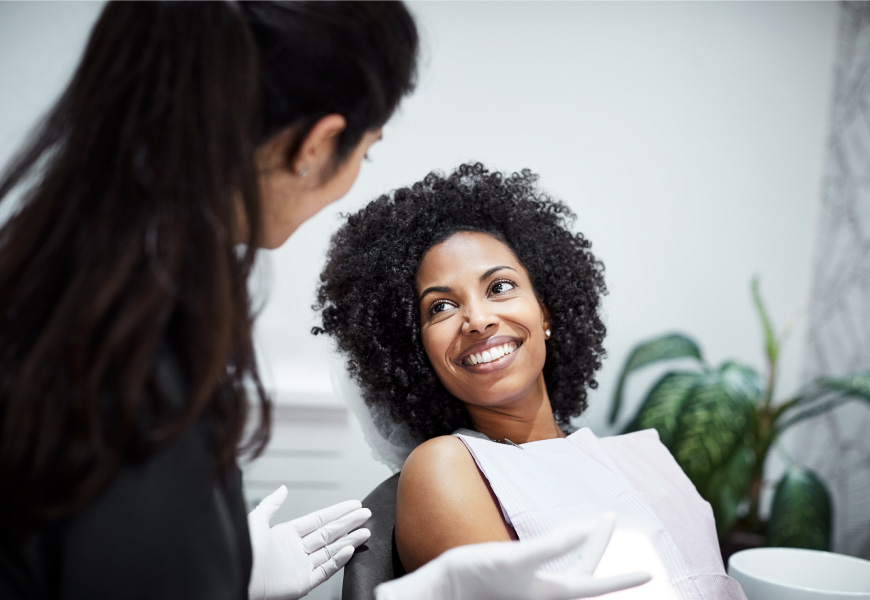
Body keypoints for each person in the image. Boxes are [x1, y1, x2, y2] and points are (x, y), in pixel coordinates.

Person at [0, 3, 642, 600]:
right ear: (315, 146)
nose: (477, 318)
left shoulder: (67, 296)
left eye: (501, 286)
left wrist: (226, 567)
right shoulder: (130, 363)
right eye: (367, 150)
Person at [315, 163, 749, 599]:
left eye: (500, 286)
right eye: (441, 307)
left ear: (546, 312)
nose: (478, 320)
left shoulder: (644, 455)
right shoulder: (446, 468)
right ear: (416, 352)